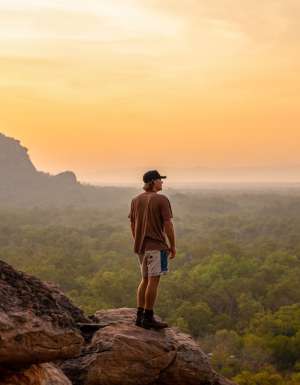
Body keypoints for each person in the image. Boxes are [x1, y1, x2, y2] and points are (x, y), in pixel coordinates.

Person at [128, 170, 176, 329]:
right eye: (160, 180)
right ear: (153, 182)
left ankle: (139, 316)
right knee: (153, 281)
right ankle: (148, 317)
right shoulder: (161, 199)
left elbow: (133, 225)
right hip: (157, 247)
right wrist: (172, 245)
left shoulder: (135, 200)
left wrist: (138, 242)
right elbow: (168, 224)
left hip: (141, 248)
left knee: (145, 280)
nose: (162, 183)